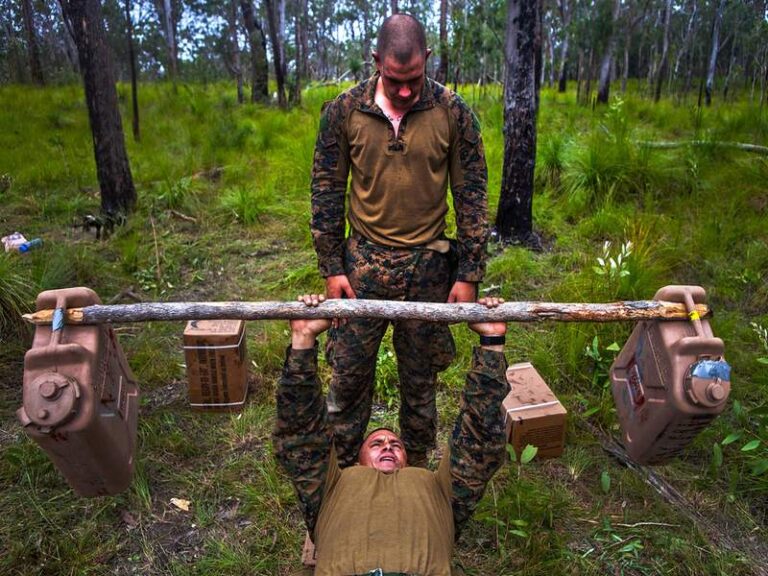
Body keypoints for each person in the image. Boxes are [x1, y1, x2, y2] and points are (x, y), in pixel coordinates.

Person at [310, 13, 488, 468]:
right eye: (394, 79)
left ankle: (417, 475)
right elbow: (326, 193)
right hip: (360, 267)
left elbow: (471, 199)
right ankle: (344, 476)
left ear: (428, 59)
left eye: (414, 78)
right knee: (347, 380)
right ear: (376, 61)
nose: (406, 90)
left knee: (420, 382)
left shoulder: (454, 113)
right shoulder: (344, 111)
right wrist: (332, 268)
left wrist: (468, 274)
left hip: (428, 268)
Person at [274, 294, 508, 575]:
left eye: (396, 444)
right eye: (376, 443)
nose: (388, 445)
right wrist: (303, 336)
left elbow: (477, 440)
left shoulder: (438, 489)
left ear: (408, 460)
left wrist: (492, 341)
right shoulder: (332, 487)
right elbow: (302, 433)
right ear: (357, 463)